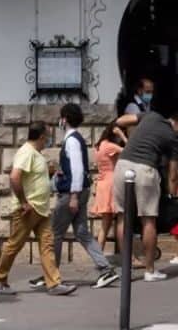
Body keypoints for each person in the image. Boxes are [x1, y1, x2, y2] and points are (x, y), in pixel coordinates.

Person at [0, 121, 76, 296]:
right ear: (42, 136)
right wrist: (23, 202)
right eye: (48, 136)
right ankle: (0, 280)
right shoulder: (26, 152)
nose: (49, 140)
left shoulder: (36, 154)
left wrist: (49, 173)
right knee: (14, 245)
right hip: (28, 210)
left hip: (41, 210)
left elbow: (33, 177)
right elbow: (15, 177)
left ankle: (53, 283)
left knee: (47, 245)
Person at [114, 103, 178, 281]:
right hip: (145, 170)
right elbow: (173, 174)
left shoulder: (150, 115)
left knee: (123, 216)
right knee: (148, 219)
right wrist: (172, 196)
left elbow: (120, 120)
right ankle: (150, 270)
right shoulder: (172, 138)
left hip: (122, 165)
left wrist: (131, 135)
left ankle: (126, 268)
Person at [49, 104, 116, 288]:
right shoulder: (76, 139)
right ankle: (105, 268)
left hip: (72, 192)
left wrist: (73, 196)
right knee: (81, 232)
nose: (59, 121)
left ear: (65, 119)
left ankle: (51, 273)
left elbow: (77, 169)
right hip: (80, 191)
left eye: (61, 117)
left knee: (54, 232)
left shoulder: (71, 141)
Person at [92, 122, 124, 261]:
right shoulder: (110, 146)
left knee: (105, 224)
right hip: (111, 183)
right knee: (121, 220)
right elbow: (130, 150)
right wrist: (122, 135)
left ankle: (98, 256)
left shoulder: (99, 146)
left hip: (102, 183)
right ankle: (128, 255)